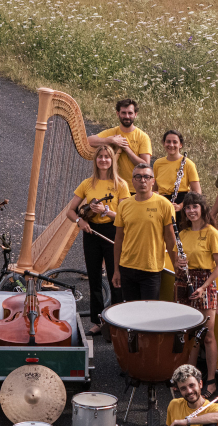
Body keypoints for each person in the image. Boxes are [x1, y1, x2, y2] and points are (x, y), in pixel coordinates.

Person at [64, 145, 128, 334]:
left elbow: (123, 216)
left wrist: (107, 212)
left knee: (115, 277)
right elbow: (70, 210)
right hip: (91, 232)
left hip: (112, 231)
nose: (103, 160)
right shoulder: (87, 184)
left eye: (107, 157)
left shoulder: (120, 185)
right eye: (100, 157)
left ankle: (116, 321)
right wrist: (79, 221)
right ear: (96, 160)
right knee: (94, 278)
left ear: (112, 161)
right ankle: (98, 321)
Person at [176, 193, 218, 395]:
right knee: (189, 334)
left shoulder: (212, 232)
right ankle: (189, 379)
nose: (191, 211)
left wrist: (204, 287)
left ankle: (210, 379)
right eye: (187, 208)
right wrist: (178, 263)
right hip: (184, 282)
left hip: (204, 283)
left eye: (195, 206)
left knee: (207, 335)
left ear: (203, 209)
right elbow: (177, 262)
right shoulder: (184, 233)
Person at [112, 163, 177, 301]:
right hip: (127, 267)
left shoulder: (165, 205)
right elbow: (118, 239)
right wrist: (116, 270)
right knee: (131, 314)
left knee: (148, 315)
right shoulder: (124, 206)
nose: (143, 180)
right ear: (133, 181)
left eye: (147, 177)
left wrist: (177, 269)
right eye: (138, 177)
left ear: (153, 181)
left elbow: (170, 239)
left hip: (151, 270)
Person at [87, 99, 152, 188]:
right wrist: (110, 141)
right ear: (118, 114)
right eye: (123, 113)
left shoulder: (143, 137)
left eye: (130, 113)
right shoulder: (112, 132)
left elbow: (145, 165)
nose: (127, 116)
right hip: (114, 186)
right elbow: (88, 141)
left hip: (135, 188)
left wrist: (127, 149)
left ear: (135, 114)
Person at [152, 130, 200, 209]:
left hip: (181, 203)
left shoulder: (188, 164)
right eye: (168, 142)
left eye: (175, 142)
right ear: (164, 143)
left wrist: (181, 206)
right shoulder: (157, 163)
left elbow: (197, 192)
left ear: (180, 145)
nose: (171, 145)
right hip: (161, 204)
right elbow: (154, 189)